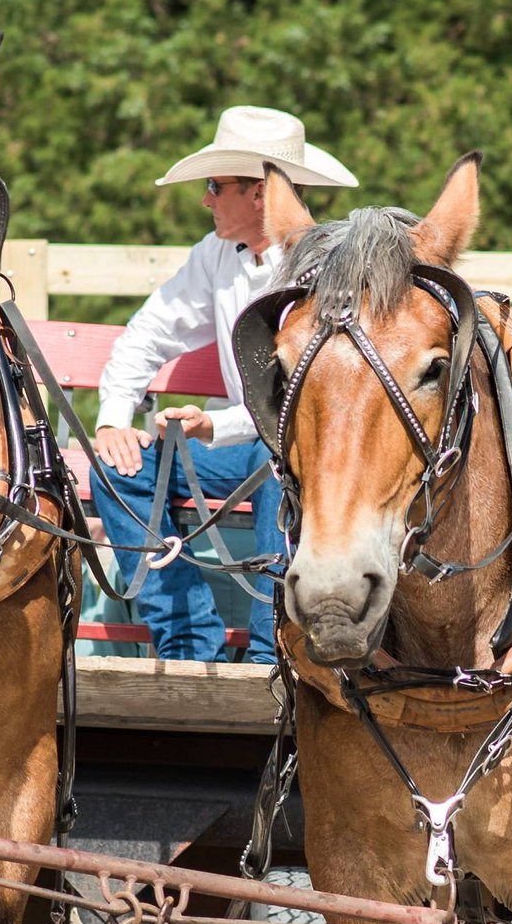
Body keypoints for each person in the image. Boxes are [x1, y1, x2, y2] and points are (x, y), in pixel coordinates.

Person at [88, 107, 357, 663]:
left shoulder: (329, 266)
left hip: (309, 450)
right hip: (242, 441)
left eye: (216, 186)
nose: (205, 199)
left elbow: (305, 400)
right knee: (117, 468)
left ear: (259, 194)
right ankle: (188, 647)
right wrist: (114, 418)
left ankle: (272, 657)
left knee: (275, 464)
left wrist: (215, 423)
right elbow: (146, 335)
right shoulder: (216, 256)